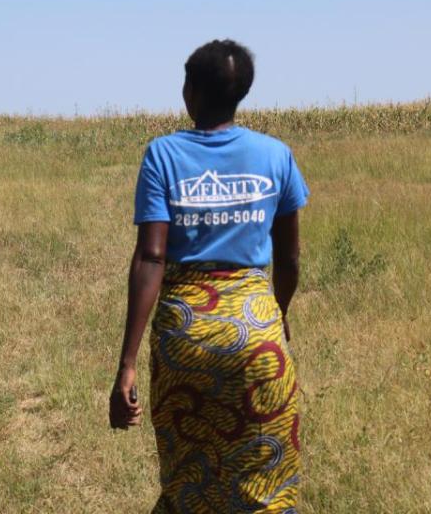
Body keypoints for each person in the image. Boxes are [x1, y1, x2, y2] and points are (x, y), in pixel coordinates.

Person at [109, 39, 309, 513]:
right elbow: (291, 260)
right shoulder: (276, 156)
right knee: (266, 485)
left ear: (191, 92)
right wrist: (274, 316)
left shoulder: (163, 155)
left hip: (185, 337)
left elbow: (151, 259)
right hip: (258, 338)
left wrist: (127, 366)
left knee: (189, 481)